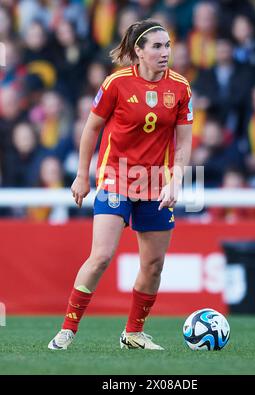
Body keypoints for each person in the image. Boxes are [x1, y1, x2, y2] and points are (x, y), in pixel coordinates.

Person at [48, 19, 193, 351]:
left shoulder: (181, 88)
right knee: (101, 256)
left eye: (168, 45)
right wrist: (83, 175)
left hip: (157, 183)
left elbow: (184, 143)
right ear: (138, 52)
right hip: (116, 177)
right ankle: (68, 329)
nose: (165, 52)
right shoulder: (116, 84)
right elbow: (91, 128)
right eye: (156, 46)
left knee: (153, 265)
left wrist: (176, 180)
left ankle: (133, 333)